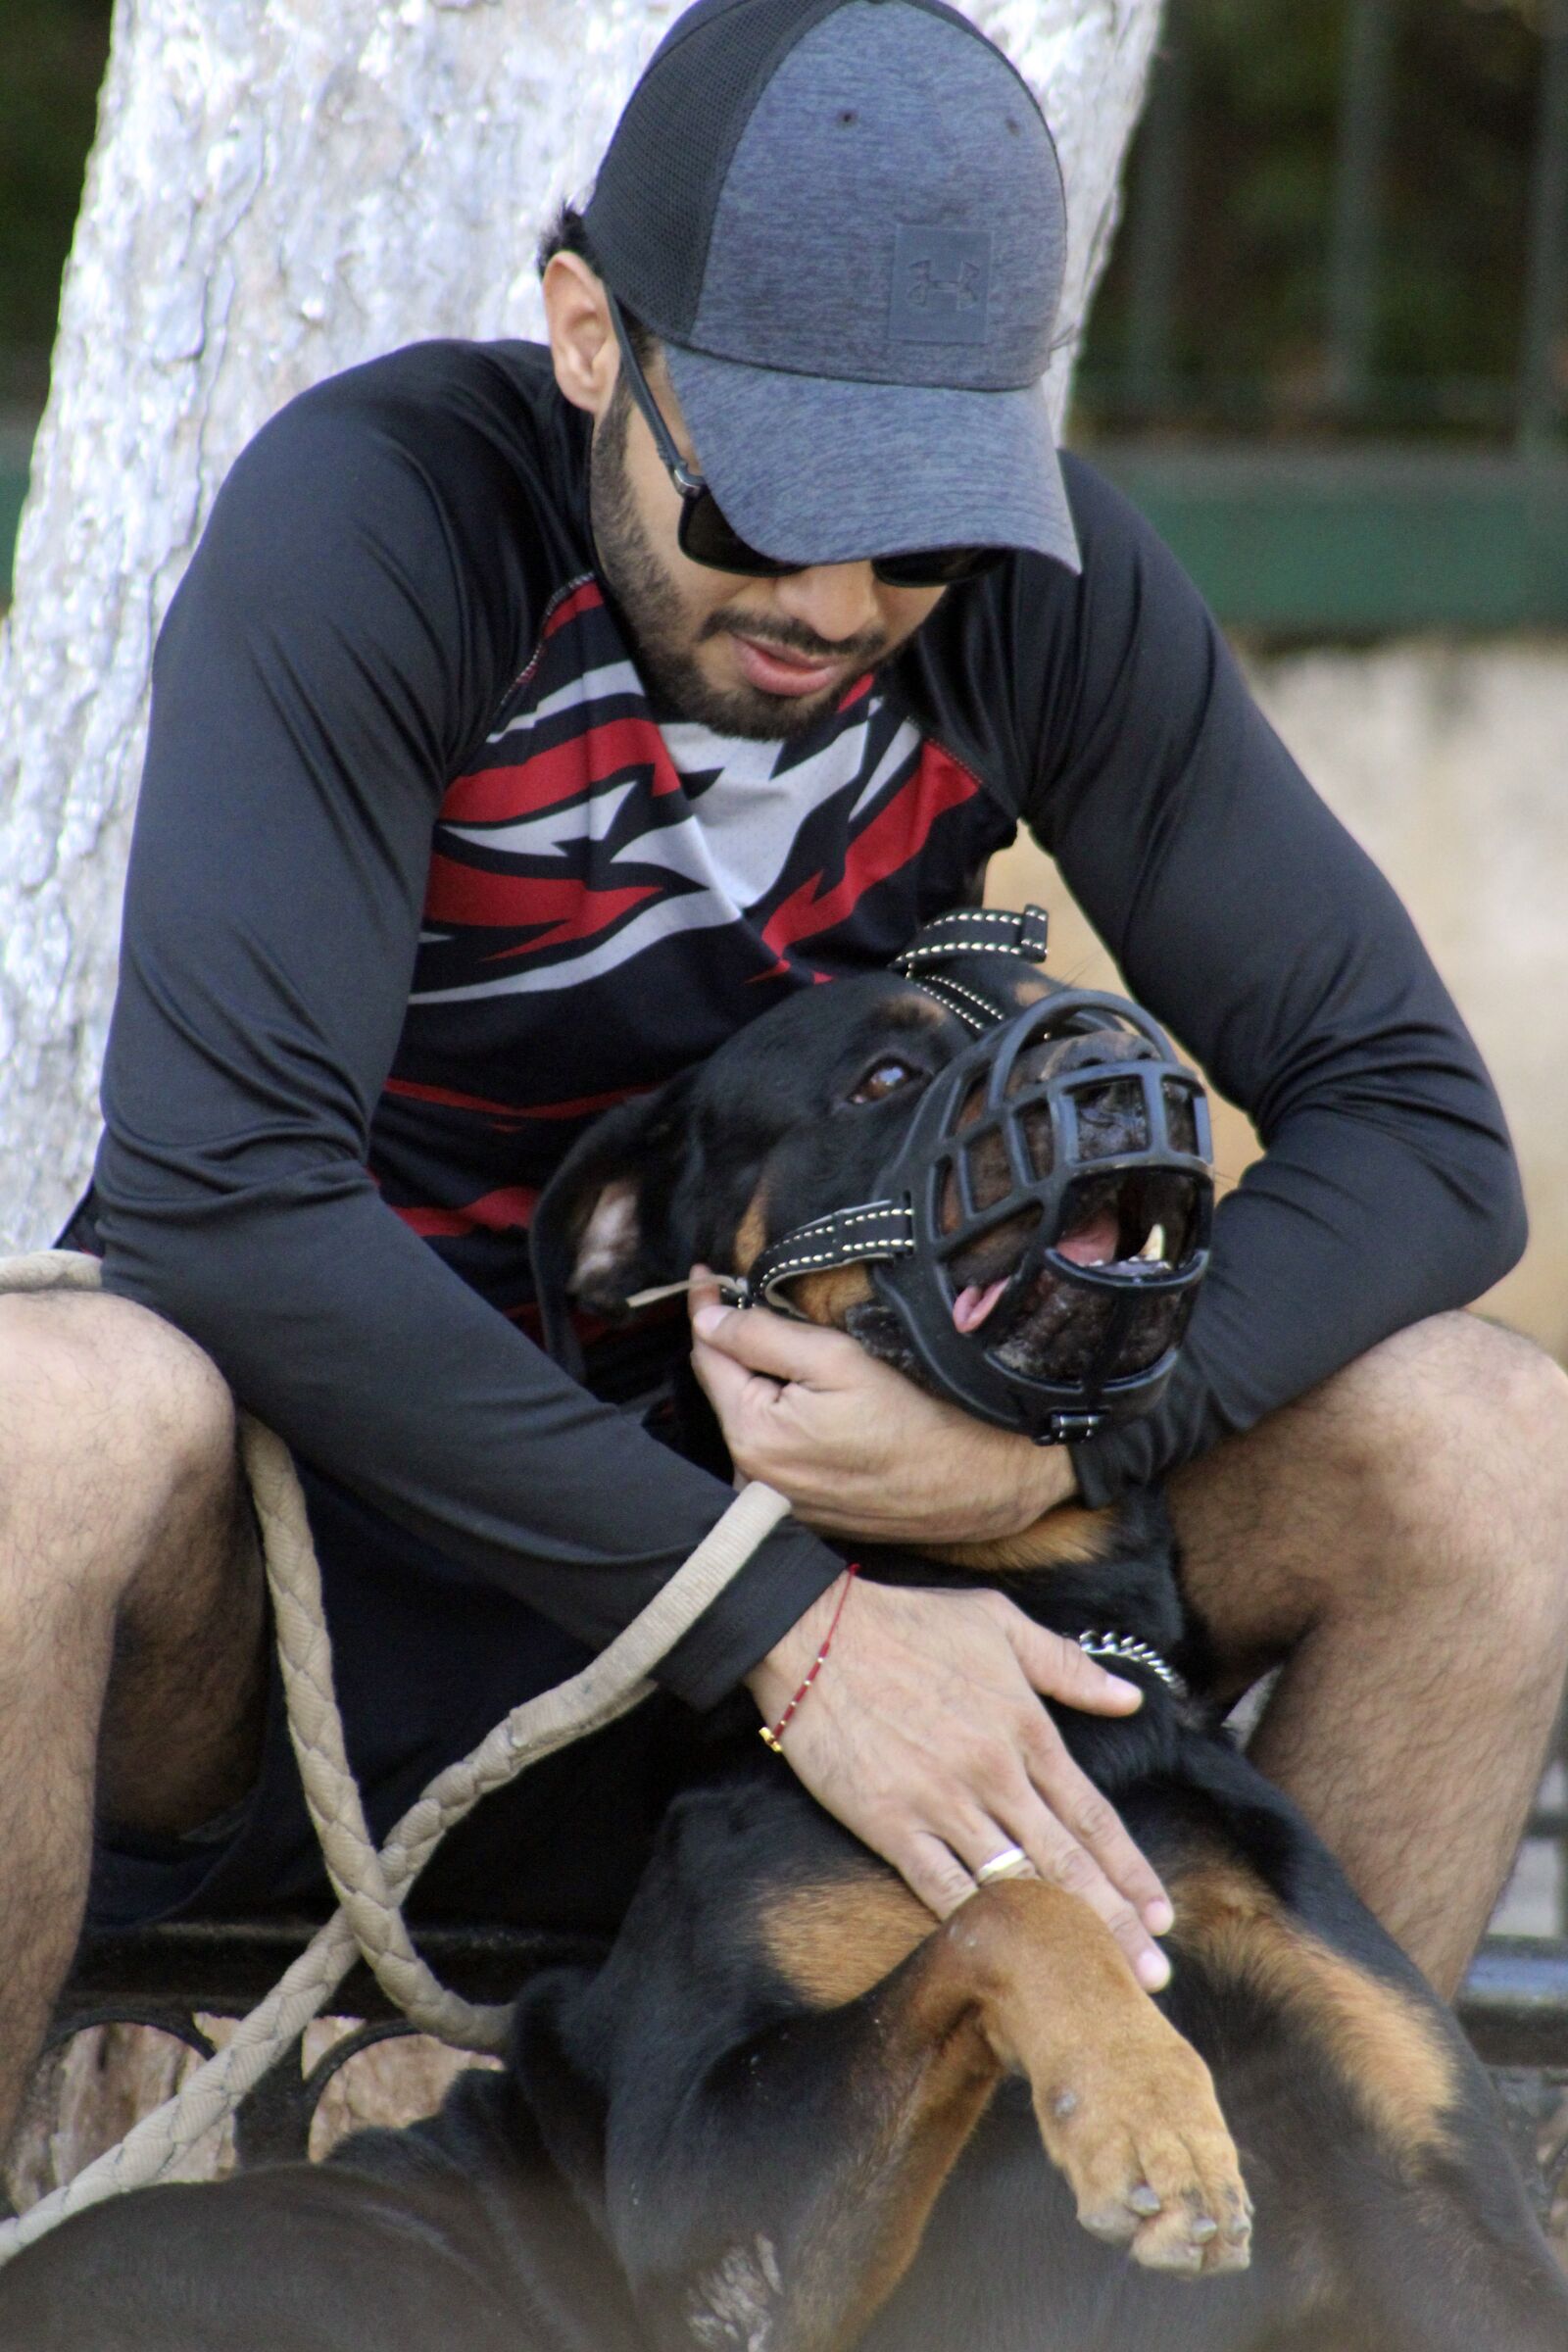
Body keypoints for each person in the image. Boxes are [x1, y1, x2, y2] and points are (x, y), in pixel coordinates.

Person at [1, 0, 1563, 2163]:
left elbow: (1416, 1124)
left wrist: (1055, 1463)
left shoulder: (1038, 605)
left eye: (910, 526)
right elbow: (217, 1197)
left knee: (1485, 1453)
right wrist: (786, 1629)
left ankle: (1240, 2249)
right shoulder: (381, 526)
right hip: (341, 1614)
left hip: (874, 1552)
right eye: (765, 507)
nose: (836, 601)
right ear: (584, 337)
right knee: (35, 1426)